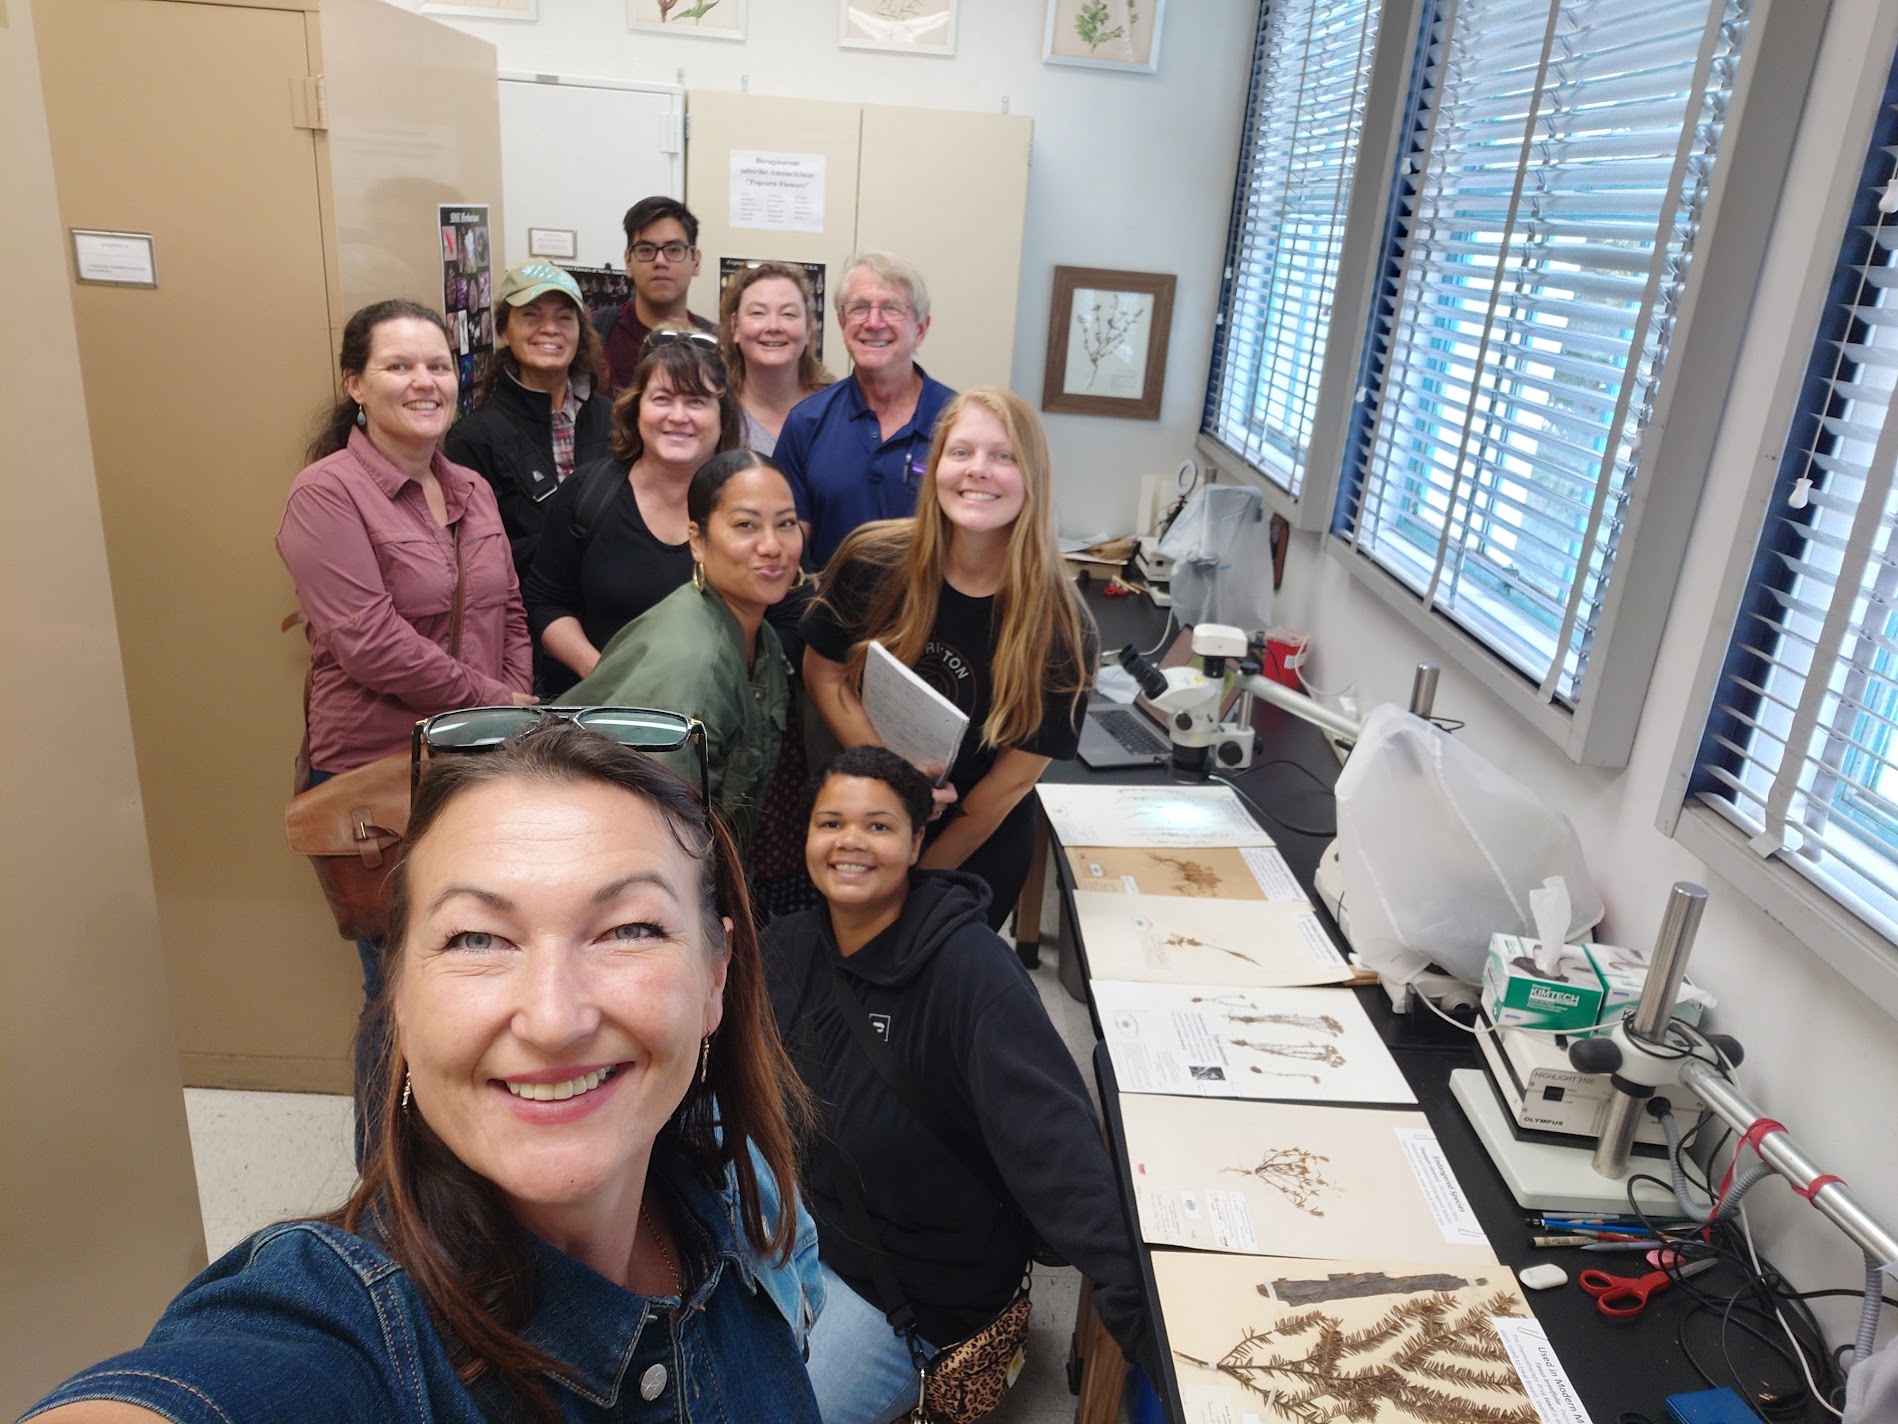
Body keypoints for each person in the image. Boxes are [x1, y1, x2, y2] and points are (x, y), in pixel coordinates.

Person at [27, 721, 822, 1424]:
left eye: (627, 929)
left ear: (716, 975)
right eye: (477, 939)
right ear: (399, 993)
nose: (553, 1020)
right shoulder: (340, 1322)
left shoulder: (744, 1211)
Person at [764, 747, 1156, 1424]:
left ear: (918, 842)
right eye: (831, 823)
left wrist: (1152, 1324)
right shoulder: (787, 949)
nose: (850, 841)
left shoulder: (971, 974)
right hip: (797, 1226)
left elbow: (1059, 1150)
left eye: (879, 826)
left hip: (904, 1291)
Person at [276, 298, 534, 1134]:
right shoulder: (326, 495)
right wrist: (501, 706)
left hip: (476, 768)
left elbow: (514, 615)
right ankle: (383, 1190)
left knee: (473, 972)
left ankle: (462, 1166)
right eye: (398, 365)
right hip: (378, 774)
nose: (423, 381)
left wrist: (512, 709)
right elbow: (369, 644)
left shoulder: (470, 488)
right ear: (356, 383)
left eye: (436, 364)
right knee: (395, 991)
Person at [801, 387, 1095, 931]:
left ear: (1032, 477)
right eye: (961, 453)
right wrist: (893, 785)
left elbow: (1009, 784)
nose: (977, 470)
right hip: (863, 823)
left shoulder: (1063, 628)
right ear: (935, 466)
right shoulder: (872, 559)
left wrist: (913, 882)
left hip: (974, 843)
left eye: (1003, 456)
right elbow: (826, 672)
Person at [559, 450, 802, 850]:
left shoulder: (756, 632)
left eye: (786, 524)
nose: (772, 546)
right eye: (746, 525)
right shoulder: (694, 671)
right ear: (697, 541)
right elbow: (658, 840)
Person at [523, 337, 742, 697]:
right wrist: (607, 675)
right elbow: (545, 600)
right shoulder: (587, 494)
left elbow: (784, 620)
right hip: (600, 714)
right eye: (662, 399)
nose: (678, 416)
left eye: (696, 401)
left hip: (715, 714)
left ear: (723, 418)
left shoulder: (750, 502)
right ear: (636, 409)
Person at [774, 251, 956, 569]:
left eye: (891, 308)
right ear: (843, 323)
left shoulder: (958, 423)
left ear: (921, 328)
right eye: (859, 308)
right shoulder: (806, 423)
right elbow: (787, 544)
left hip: (929, 616)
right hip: (830, 615)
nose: (873, 323)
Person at [443, 261, 613, 585]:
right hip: (527, 619)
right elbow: (479, 556)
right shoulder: (473, 438)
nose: (550, 328)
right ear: (505, 330)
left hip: (614, 611)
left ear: (580, 330)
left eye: (564, 317)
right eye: (531, 315)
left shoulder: (613, 418)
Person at [596, 195, 716, 397]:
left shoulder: (712, 345)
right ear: (628, 262)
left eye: (674, 250)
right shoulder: (596, 333)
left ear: (696, 261)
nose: (660, 261)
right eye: (646, 250)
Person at [718, 261, 834, 457]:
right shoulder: (717, 413)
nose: (773, 326)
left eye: (788, 314)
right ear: (734, 327)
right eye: (758, 313)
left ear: (808, 329)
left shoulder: (836, 411)